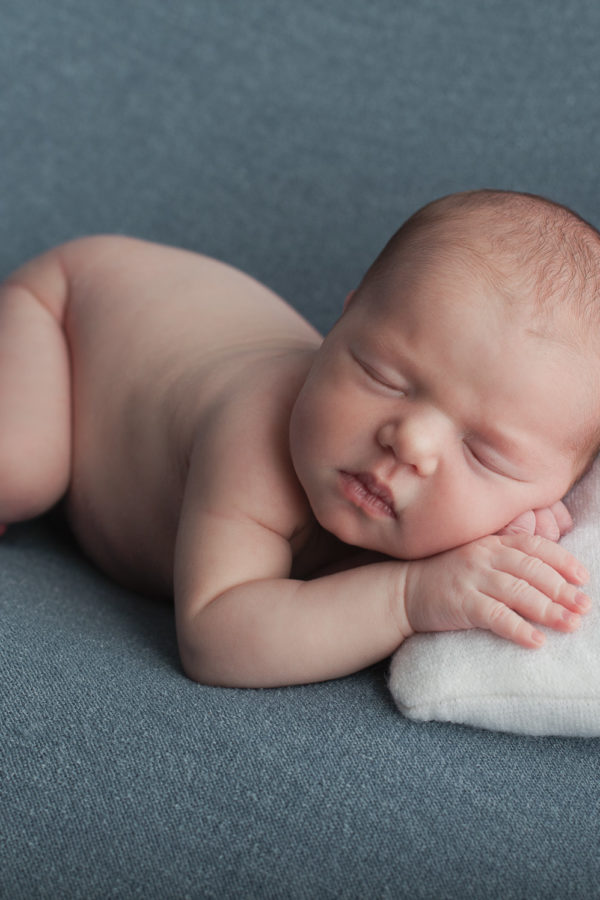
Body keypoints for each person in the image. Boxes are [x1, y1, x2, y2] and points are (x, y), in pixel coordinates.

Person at [0, 189, 597, 687]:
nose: (410, 443)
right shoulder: (253, 433)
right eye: (382, 376)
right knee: (20, 470)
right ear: (341, 323)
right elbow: (217, 637)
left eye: (483, 453)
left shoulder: (498, 498)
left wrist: (509, 540)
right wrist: (410, 596)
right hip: (70, 308)